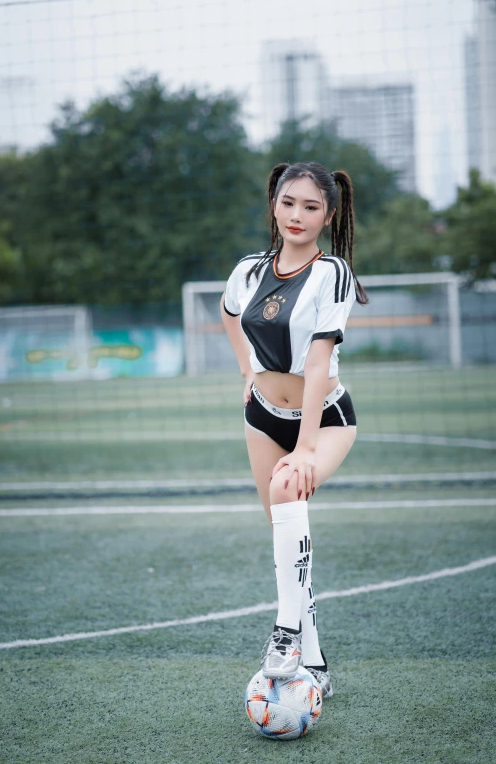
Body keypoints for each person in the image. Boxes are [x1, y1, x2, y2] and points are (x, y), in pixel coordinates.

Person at [220, 161, 368, 698]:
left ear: (329, 215)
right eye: (288, 203)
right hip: (262, 415)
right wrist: (247, 372)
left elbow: (319, 361)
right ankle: (317, 663)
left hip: (324, 418)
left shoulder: (334, 274)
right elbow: (230, 312)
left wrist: (305, 448)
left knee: (289, 486)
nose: (296, 215)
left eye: (311, 206)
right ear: (274, 204)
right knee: (284, 541)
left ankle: (286, 635)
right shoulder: (250, 269)